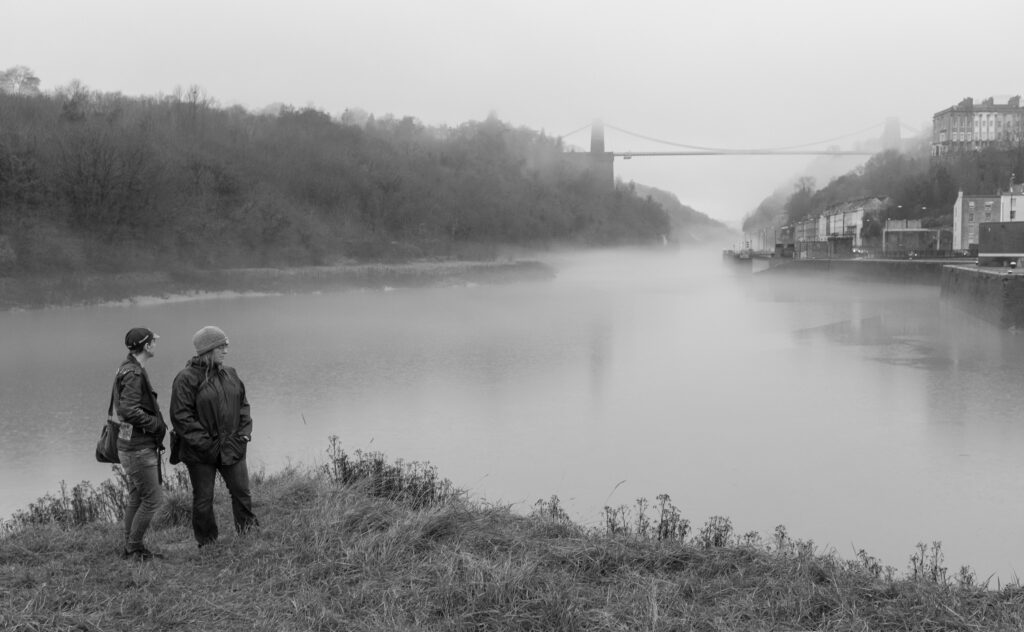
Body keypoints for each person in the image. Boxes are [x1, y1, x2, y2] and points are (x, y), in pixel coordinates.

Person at [170, 326, 259, 547]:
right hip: (200, 452)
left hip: (233, 446)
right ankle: (208, 542)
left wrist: (244, 435)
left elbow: (243, 406)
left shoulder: (231, 373)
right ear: (208, 349)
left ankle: (248, 534)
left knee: (242, 492)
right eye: (221, 346)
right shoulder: (185, 379)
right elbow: (181, 418)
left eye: (226, 345)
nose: (226, 350)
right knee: (203, 499)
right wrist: (207, 445)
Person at [115, 327, 167, 561]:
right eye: (153, 341)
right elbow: (127, 410)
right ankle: (134, 548)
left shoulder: (127, 368)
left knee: (137, 496)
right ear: (146, 346)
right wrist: (155, 424)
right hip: (138, 448)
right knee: (153, 499)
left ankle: (130, 545)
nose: (156, 343)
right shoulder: (134, 374)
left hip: (130, 445)